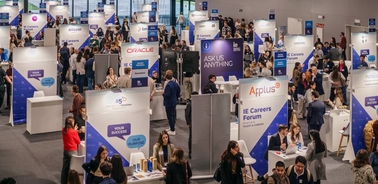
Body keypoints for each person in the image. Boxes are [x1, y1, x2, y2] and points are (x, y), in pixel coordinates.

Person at [61, 117, 81, 184]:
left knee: (65, 168)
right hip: (72, 151)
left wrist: (74, 130)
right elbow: (78, 141)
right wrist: (75, 131)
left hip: (66, 150)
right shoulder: (73, 132)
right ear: (71, 123)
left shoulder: (63, 130)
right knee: (72, 169)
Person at [163, 71, 180, 136]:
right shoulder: (175, 83)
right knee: (173, 115)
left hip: (169, 103)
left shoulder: (168, 85)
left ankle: (172, 130)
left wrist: (163, 94)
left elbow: (167, 95)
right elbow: (178, 91)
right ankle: (171, 127)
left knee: (170, 116)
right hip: (174, 101)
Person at [185, 91, 198, 159]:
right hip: (192, 124)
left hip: (198, 123)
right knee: (191, 138)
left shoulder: (199, 103)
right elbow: (187, 114)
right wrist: (189, 123)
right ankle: (190, 152)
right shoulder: (190, 104)